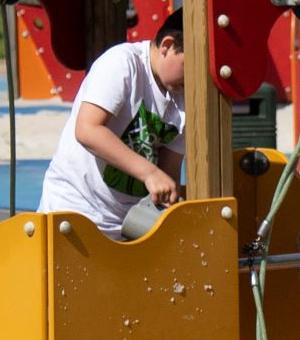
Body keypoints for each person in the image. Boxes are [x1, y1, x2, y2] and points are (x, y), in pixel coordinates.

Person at [36, 12, 189, 236]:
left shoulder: (184, 97)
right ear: (167, 46)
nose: (193, 78)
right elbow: (88, 130)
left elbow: (169, 173)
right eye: (189, 66)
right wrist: (149, 173)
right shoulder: (124, 64)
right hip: (74, 212)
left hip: (128, 225)